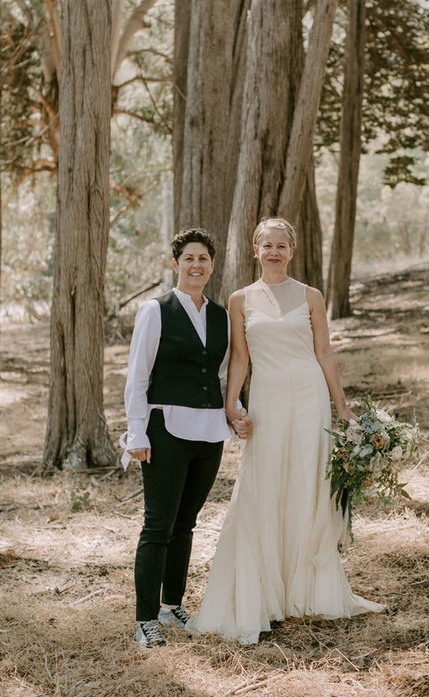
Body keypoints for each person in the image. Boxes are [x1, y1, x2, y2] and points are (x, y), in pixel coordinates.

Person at [189, 217, 383, 644]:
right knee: (267, 484)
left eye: (282, 245)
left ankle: (309, 590)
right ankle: (268, 591)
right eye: (267, 245)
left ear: (291, 251)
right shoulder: (240, 300)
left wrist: (343, 407)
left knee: (306, 484)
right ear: (254, 250)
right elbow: (240, 358)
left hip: (309, 399)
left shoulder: (311, 295)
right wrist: (230, 404)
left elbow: (325, 354)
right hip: (268, 401)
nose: (274, 252)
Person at [120, 227, 243, 651]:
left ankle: (172, 606)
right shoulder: (155, 311)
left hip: (209, 433)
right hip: (164, 430)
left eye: (203, 259)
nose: (196, 265)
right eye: (188, 258)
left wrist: (236, 415)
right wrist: (136, 431)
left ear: (212, 266)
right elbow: (137, 376)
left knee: (186, 524)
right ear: (176, 264)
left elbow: (224, 375)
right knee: (158, 526)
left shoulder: (222, 315)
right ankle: (145, 619)